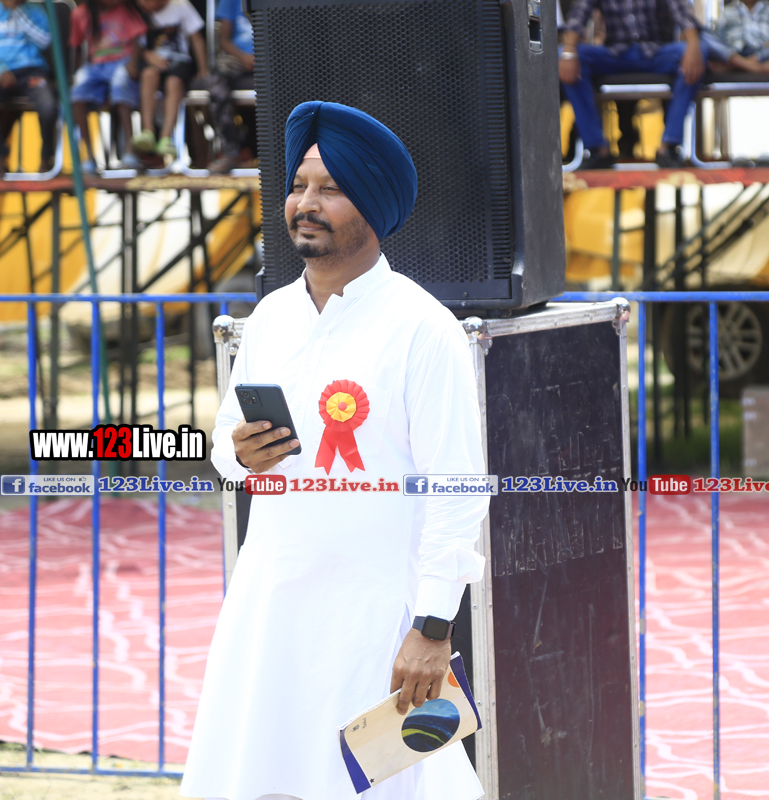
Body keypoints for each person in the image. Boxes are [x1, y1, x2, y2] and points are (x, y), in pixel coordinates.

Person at [179, 100, 489, 800]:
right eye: (298, 186)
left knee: (384, 784)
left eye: (331, 188)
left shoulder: (422, 328)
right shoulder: (271, 317)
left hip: (376, 618)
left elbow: (456, 489)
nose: (305, 204)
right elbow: (225, 445)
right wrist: (241, 451)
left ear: (373, 206)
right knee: (262, 778)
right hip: (272, 606)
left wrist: (432, 627)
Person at [559, 0, 708, 169]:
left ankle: (669, 146)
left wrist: (693, 46)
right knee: (566, 56)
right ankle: (596, 148)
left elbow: (683, 15)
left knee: (698, 51)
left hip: (656, 53)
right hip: (615, 55)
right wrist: (569, 51)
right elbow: (578, 17)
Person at [69, 0, 146, 173]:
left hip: (123, 61)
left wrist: (133, 64)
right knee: (77, 91)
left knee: (120, 83)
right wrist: (76, 72)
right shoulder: (80, 14)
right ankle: (89, 156)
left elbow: (137, 40)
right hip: (95, 66)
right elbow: (77, 45)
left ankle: (130, 150)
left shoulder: (125, 8)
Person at [130, 0, 206, 162]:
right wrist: (147, 56)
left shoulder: (181, 5)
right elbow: (138, 44)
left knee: (173, 83)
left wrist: (203, 69)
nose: (142, 4)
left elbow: (196, 38)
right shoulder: (141, 13)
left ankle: (166, 137)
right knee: (148, 75)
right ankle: (148, 131)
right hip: (154, 62)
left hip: (180, 62)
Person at [0, 0, 58, 173]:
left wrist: (18, 12)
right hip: (2, 72)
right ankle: (1, 156)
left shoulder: (36, 11)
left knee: (48, 106)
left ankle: (46, 158)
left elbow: (45, 41)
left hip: (31, 71)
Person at [198, 0, 254, 172]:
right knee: (215, 79)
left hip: (276, 56)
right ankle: (230, 152)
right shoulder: (230, 1)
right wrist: (243, 57)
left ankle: (289, 150)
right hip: (239, 57)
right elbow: (224, 41)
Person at [703, 0, 769, 78]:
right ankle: (757, 67)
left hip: (766, 55)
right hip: (735, 52)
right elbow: (717, 40)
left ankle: (738, 66)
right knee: (703, 36)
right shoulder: (727, 12)